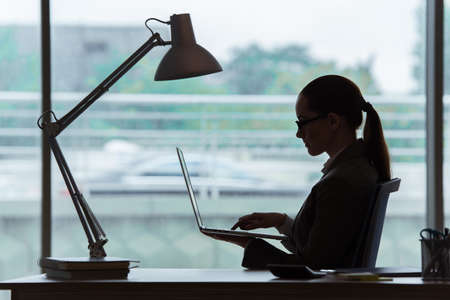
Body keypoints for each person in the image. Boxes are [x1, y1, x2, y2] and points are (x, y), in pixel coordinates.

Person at [203, 74, 391, 270]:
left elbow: (312, 267)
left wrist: (247, 243)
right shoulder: (355, 168)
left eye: (302, 121)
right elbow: (321, 250)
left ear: (333, 121)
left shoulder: (340, 182)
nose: (298, 133)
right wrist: (281, 221)